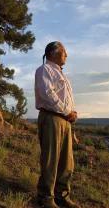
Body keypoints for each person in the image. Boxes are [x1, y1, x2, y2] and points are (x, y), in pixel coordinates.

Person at [34, 41, 80, 208]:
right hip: (51, 117)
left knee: (67, 162)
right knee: (51, 159)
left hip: (64, 120)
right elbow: (47, 94)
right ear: (53, 53)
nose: (66, 55)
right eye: (64, 51)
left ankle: (62, 195)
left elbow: (65, 100)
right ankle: (45, 197)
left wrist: (71, 113)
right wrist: (66, 111)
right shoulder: (44, 70)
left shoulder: (62, 75)